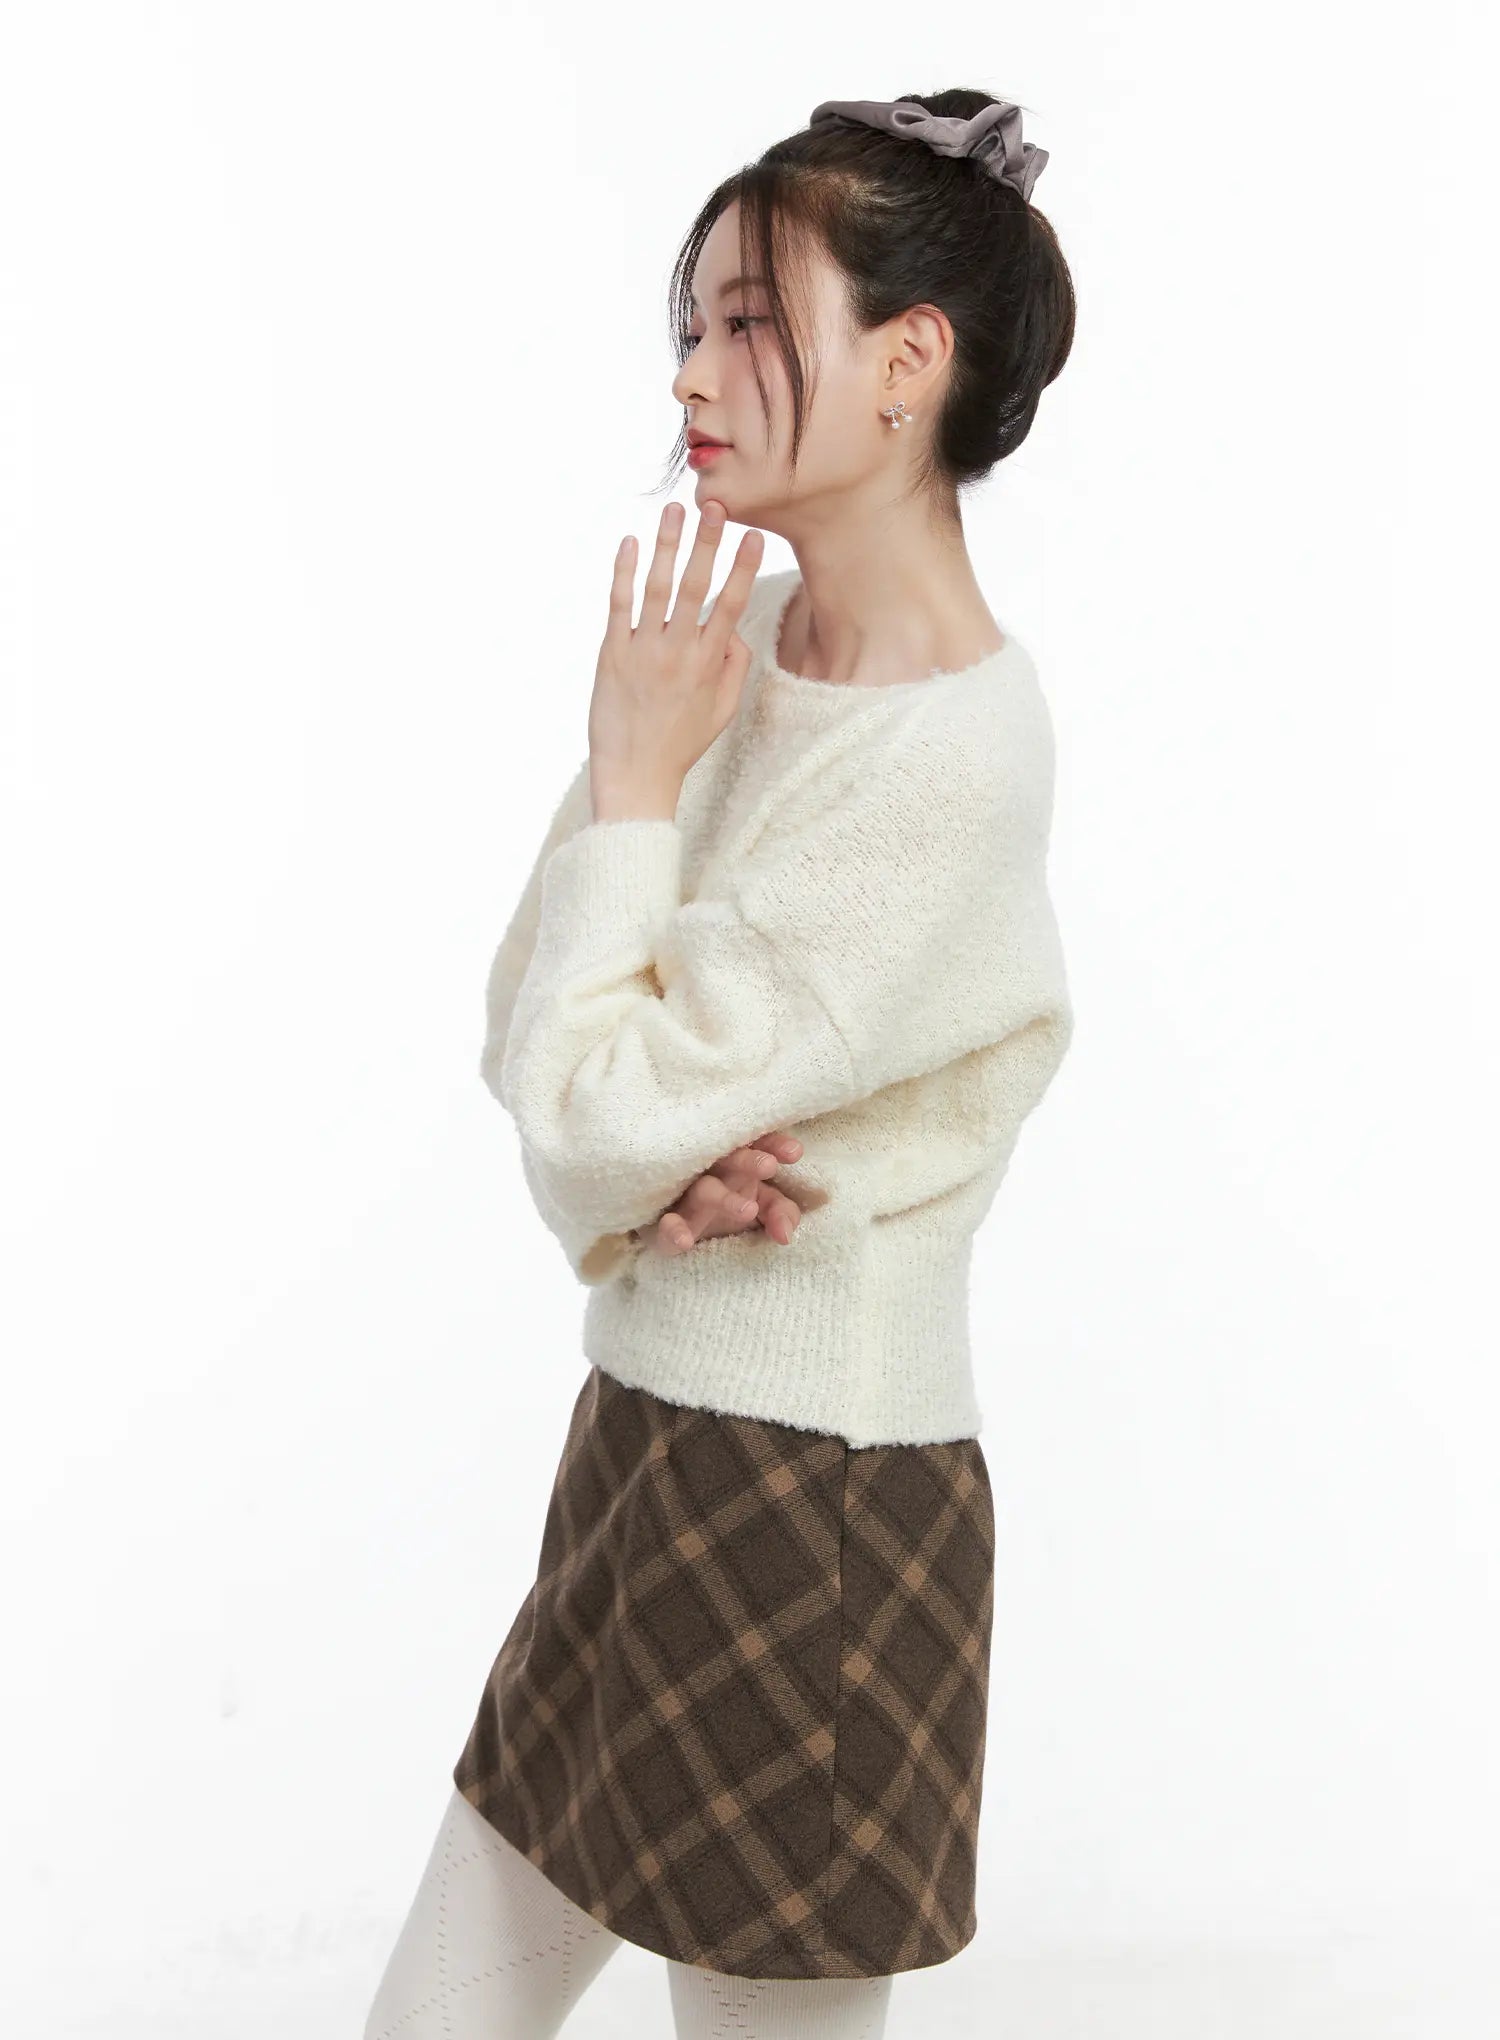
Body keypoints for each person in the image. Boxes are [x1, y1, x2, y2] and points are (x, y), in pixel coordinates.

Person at [363, 87, 1077, 2040]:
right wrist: (633, 1140)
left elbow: (589, 1090)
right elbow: (538, 1038)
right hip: (644, 1450)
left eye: (752, 321)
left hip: (814, 1506)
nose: (690, 371)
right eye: (691, 321)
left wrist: (631, 805)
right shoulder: (730, 643)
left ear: (907, 368)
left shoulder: (955, 761)